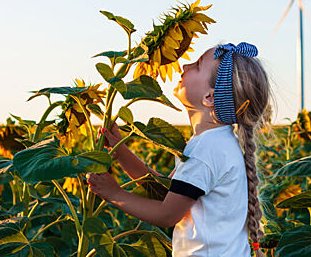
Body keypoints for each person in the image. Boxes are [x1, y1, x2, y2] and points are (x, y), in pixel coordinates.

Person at [87, 42, 273, 257]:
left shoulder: (207, 149)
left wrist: (114, 193)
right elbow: (167, 192)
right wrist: (122, 152)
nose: (185, 66)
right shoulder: (214, 142)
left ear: (209, 97)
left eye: (196, 65)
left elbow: (167, 214)